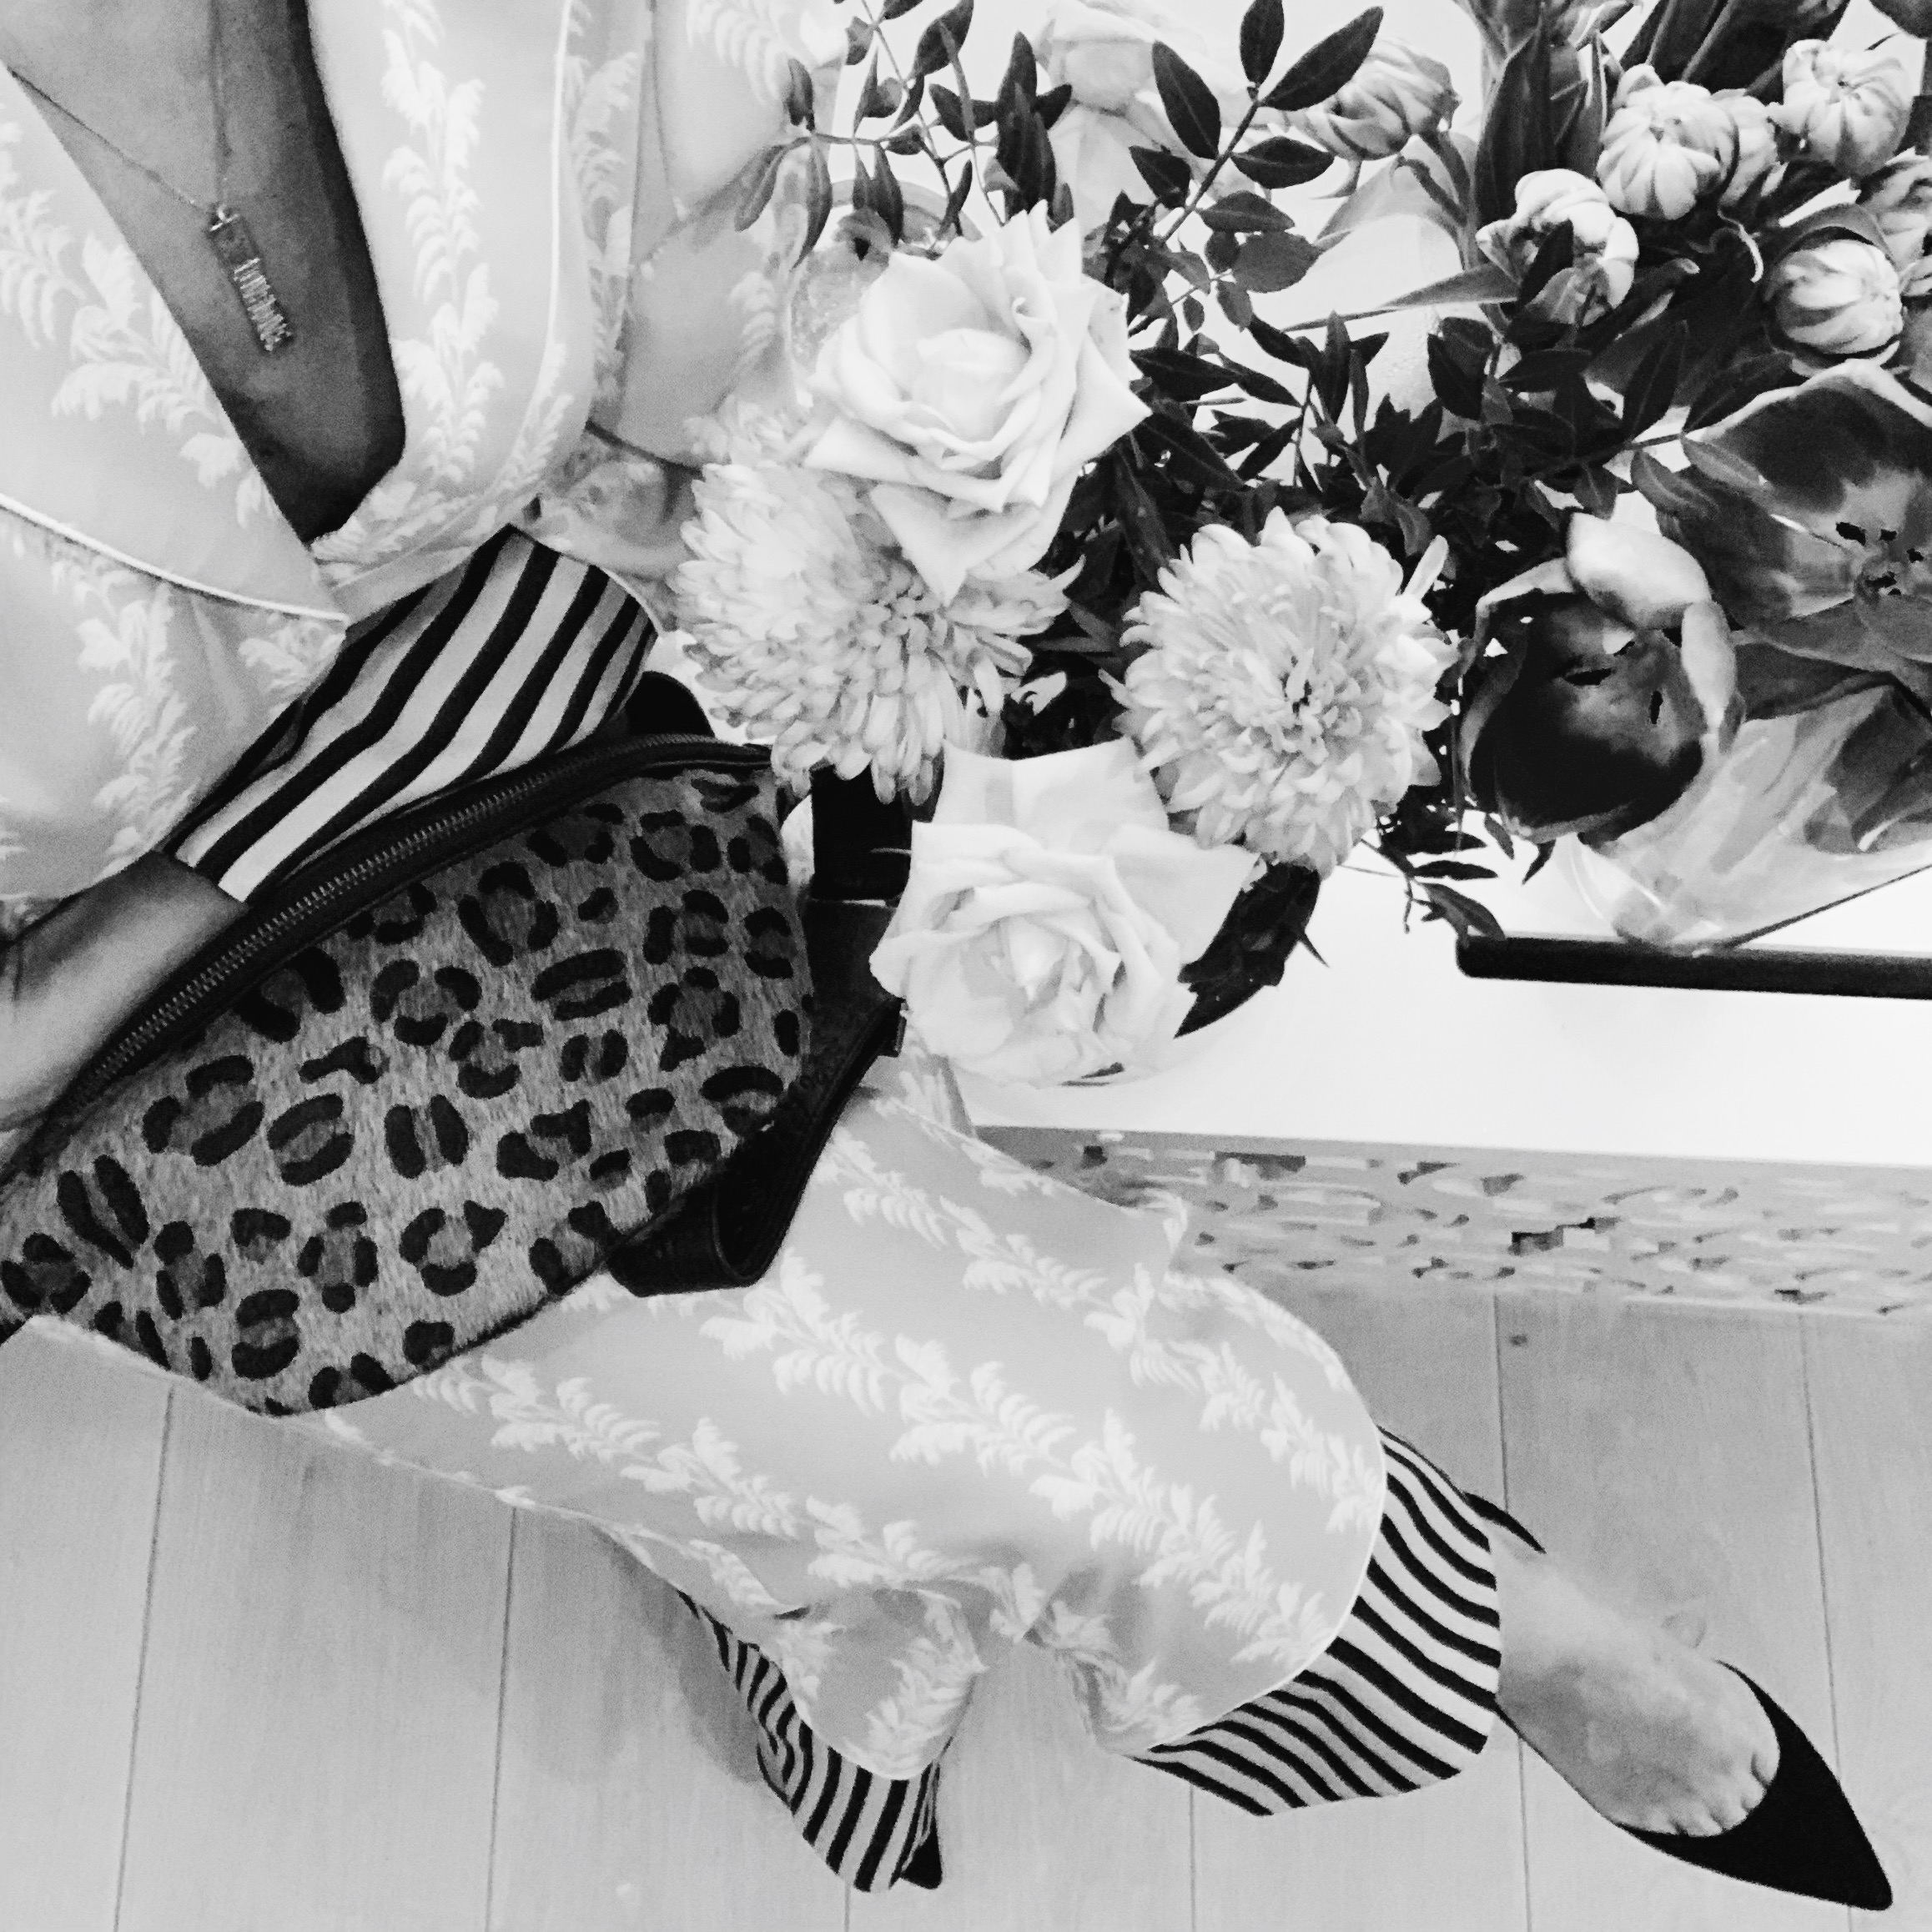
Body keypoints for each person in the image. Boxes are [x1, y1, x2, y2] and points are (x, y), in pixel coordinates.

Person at [0, 0, 1890, 1905]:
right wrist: (204, 910)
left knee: (864, 1277)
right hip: (176, 1064)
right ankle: (1470, 1615)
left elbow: (747, 194)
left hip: (631, 706)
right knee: (1079, 1444)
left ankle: (845, 1658)